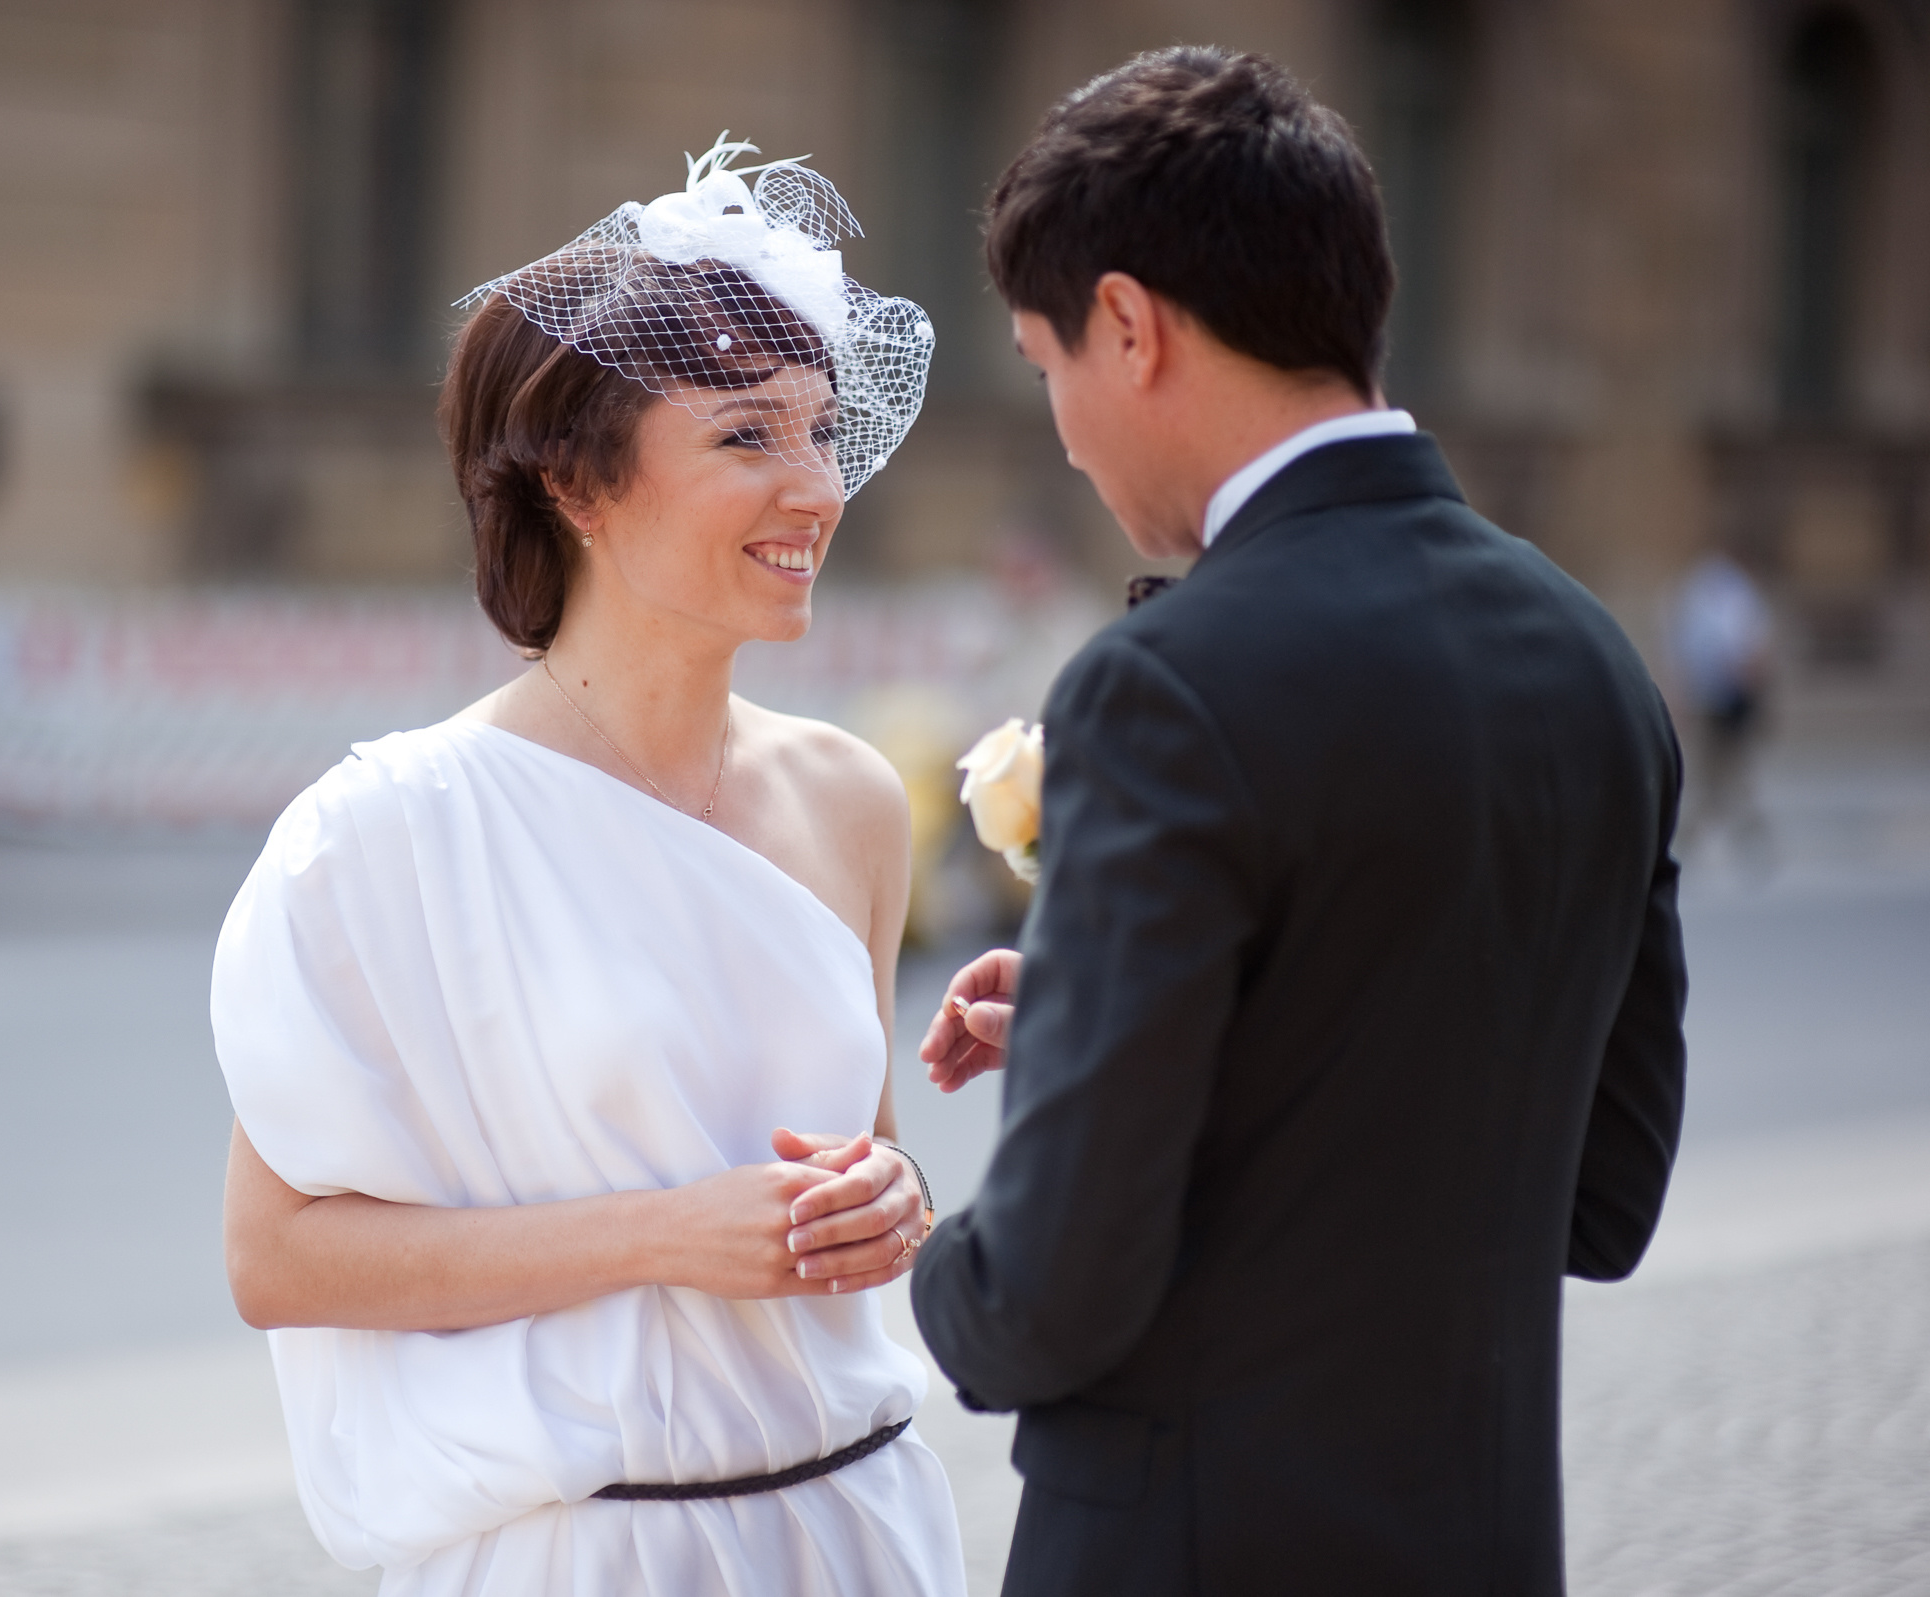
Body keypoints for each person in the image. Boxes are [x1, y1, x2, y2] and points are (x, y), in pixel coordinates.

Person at [909, 50, 1687, 1596]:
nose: (1061, 431)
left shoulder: (1165, 686)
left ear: (1128, 326)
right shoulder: (1596, 660)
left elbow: (1053, 1291)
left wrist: (935, 1258)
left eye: (1045, 363)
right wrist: (1102, 1015)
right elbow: (1600, 1199)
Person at [211, 139, 964, 1596]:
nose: (816, 485)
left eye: (822, 430)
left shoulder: (854, 797)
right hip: (591, 1551)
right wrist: (665, 1235)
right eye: (749, 438)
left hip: (862, 1531)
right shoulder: (395, 828)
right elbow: (279, 1257)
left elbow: (856, 1165)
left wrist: (893, 1199)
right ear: (578, 483)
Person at [1669, 549, 1773, 862]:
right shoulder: (1699, 603)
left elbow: (1756, 655)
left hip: (1731, 705)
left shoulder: (1738, 601)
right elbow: (1682, 658)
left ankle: (1749, 840)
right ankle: (1690, 841)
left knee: (1731, 779)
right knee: (1707, 778)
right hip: (1708, 703)